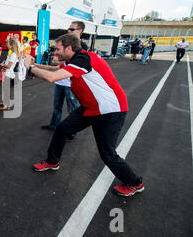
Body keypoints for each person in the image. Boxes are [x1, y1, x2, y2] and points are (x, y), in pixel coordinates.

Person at [25, 33, 144, 197]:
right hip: (92, 107)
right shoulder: (73, 60)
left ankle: (134, 182)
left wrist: (30, 68)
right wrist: (36, 64)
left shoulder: (83, 60)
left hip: (110, 110)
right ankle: (52, 162)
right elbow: (55, 69)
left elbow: (52, 77)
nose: (55, 52)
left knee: (107, 154)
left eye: (58, 49)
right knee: (62, 129)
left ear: (68, 48)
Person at [0, 38, 20, 110]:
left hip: (8, 73)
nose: (7, 46)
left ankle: (6, 105)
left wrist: (2, 65)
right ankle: (5, 103)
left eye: (8, 44)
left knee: (6, 89)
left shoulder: (13, 54)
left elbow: (9, 66)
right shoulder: (13, 53)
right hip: (8, 73)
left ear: (11, 45)